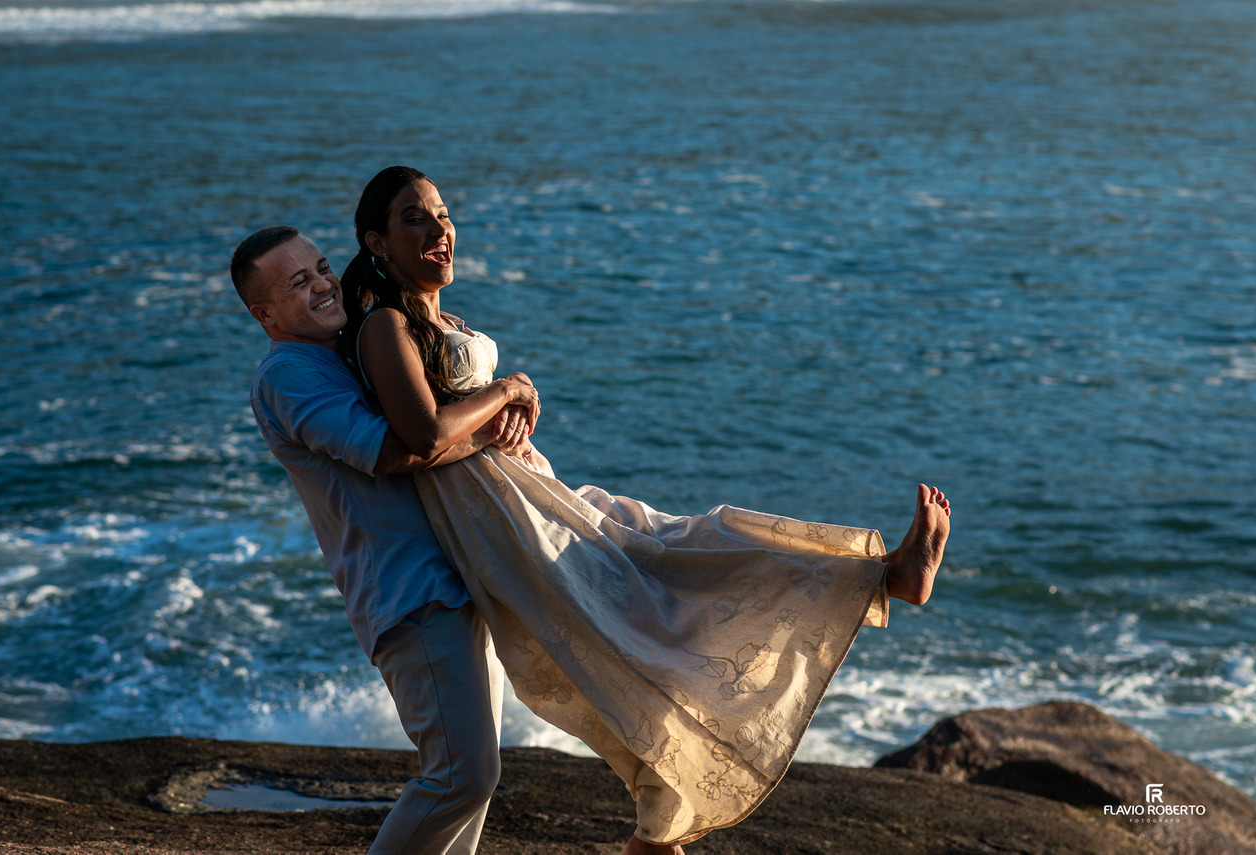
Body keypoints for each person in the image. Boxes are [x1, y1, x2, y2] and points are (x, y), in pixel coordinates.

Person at [336, 165, 953, 854]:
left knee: (687, 545)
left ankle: (878, 574)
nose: (440, 228)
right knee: (637, 627)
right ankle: (662, 823)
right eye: (415, 218)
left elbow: (455, 419)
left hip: (537, 493)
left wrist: (516, 400)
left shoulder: (439, 319)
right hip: (502, 524)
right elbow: (420, 436)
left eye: (444, 212)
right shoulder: (383, 326)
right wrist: (508, 390)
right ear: (377, 242)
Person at [231, 225, 541, 854]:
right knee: (461, 775)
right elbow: (397, 450)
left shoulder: (346, 350)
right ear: (265, 316)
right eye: (299, 283)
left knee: (474, 782)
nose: (322, 284)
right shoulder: (287, 375)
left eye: (321, 267)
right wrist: (501, 395)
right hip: (409, 591)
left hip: (455, 575)